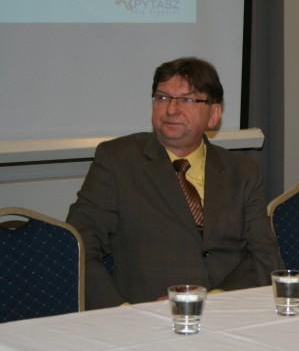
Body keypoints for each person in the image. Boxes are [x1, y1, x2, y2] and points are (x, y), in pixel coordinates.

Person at [67, 57, 283, 309]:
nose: (171, 109)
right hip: (144, 314)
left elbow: (265, 257)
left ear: (214, 115)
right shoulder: (118, 161)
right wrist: (121, 311)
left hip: (227, 311)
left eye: (186, 100)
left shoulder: (242, 172)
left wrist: (214, 299)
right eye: (162, 98)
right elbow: (79, 245)